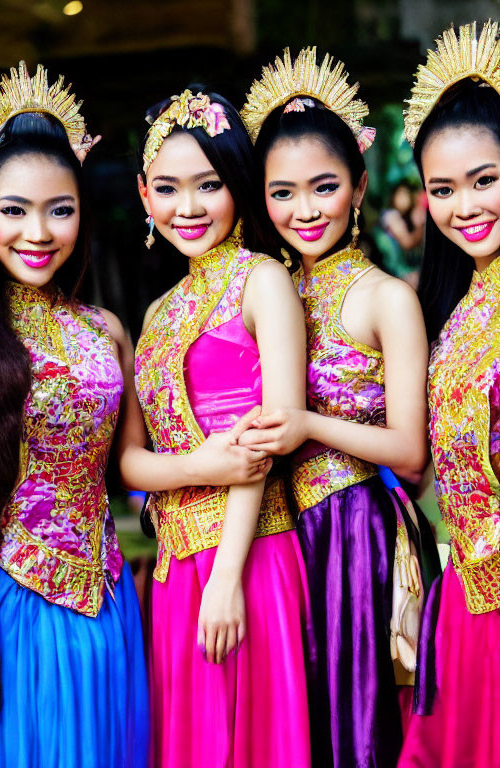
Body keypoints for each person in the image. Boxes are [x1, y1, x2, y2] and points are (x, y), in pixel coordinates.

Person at [0, 62, 149, 768]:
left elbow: (134, 467)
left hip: (110, 597)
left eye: (60, 208)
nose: (38, 231)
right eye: (13, 210)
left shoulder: (107, 329)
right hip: (18, 599)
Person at [241, 47, 433, 767]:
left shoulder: (386, 297)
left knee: (354, 727)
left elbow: (411, 451)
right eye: (282, 193)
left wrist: (308, 426)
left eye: (323, 187)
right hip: (279, 534)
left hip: (356, 531)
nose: (304, 209)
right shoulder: (263, 289)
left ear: (357, 185)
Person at [120, 87, 311, 768]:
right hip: (176, 569)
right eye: (169, 189)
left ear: (239, 185)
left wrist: (228, 575)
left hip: (251, 554)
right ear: (145, 196)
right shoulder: (157, 312)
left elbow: (271, 433)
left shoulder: (263, 281)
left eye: (210, 184)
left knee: (254, 740)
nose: (189, 207)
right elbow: (132, 463)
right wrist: (198, 468)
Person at [397, 20, 500, 768]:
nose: (464, 204)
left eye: (485, 179)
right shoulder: (455, 312)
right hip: (465, 611)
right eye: (443, 188)